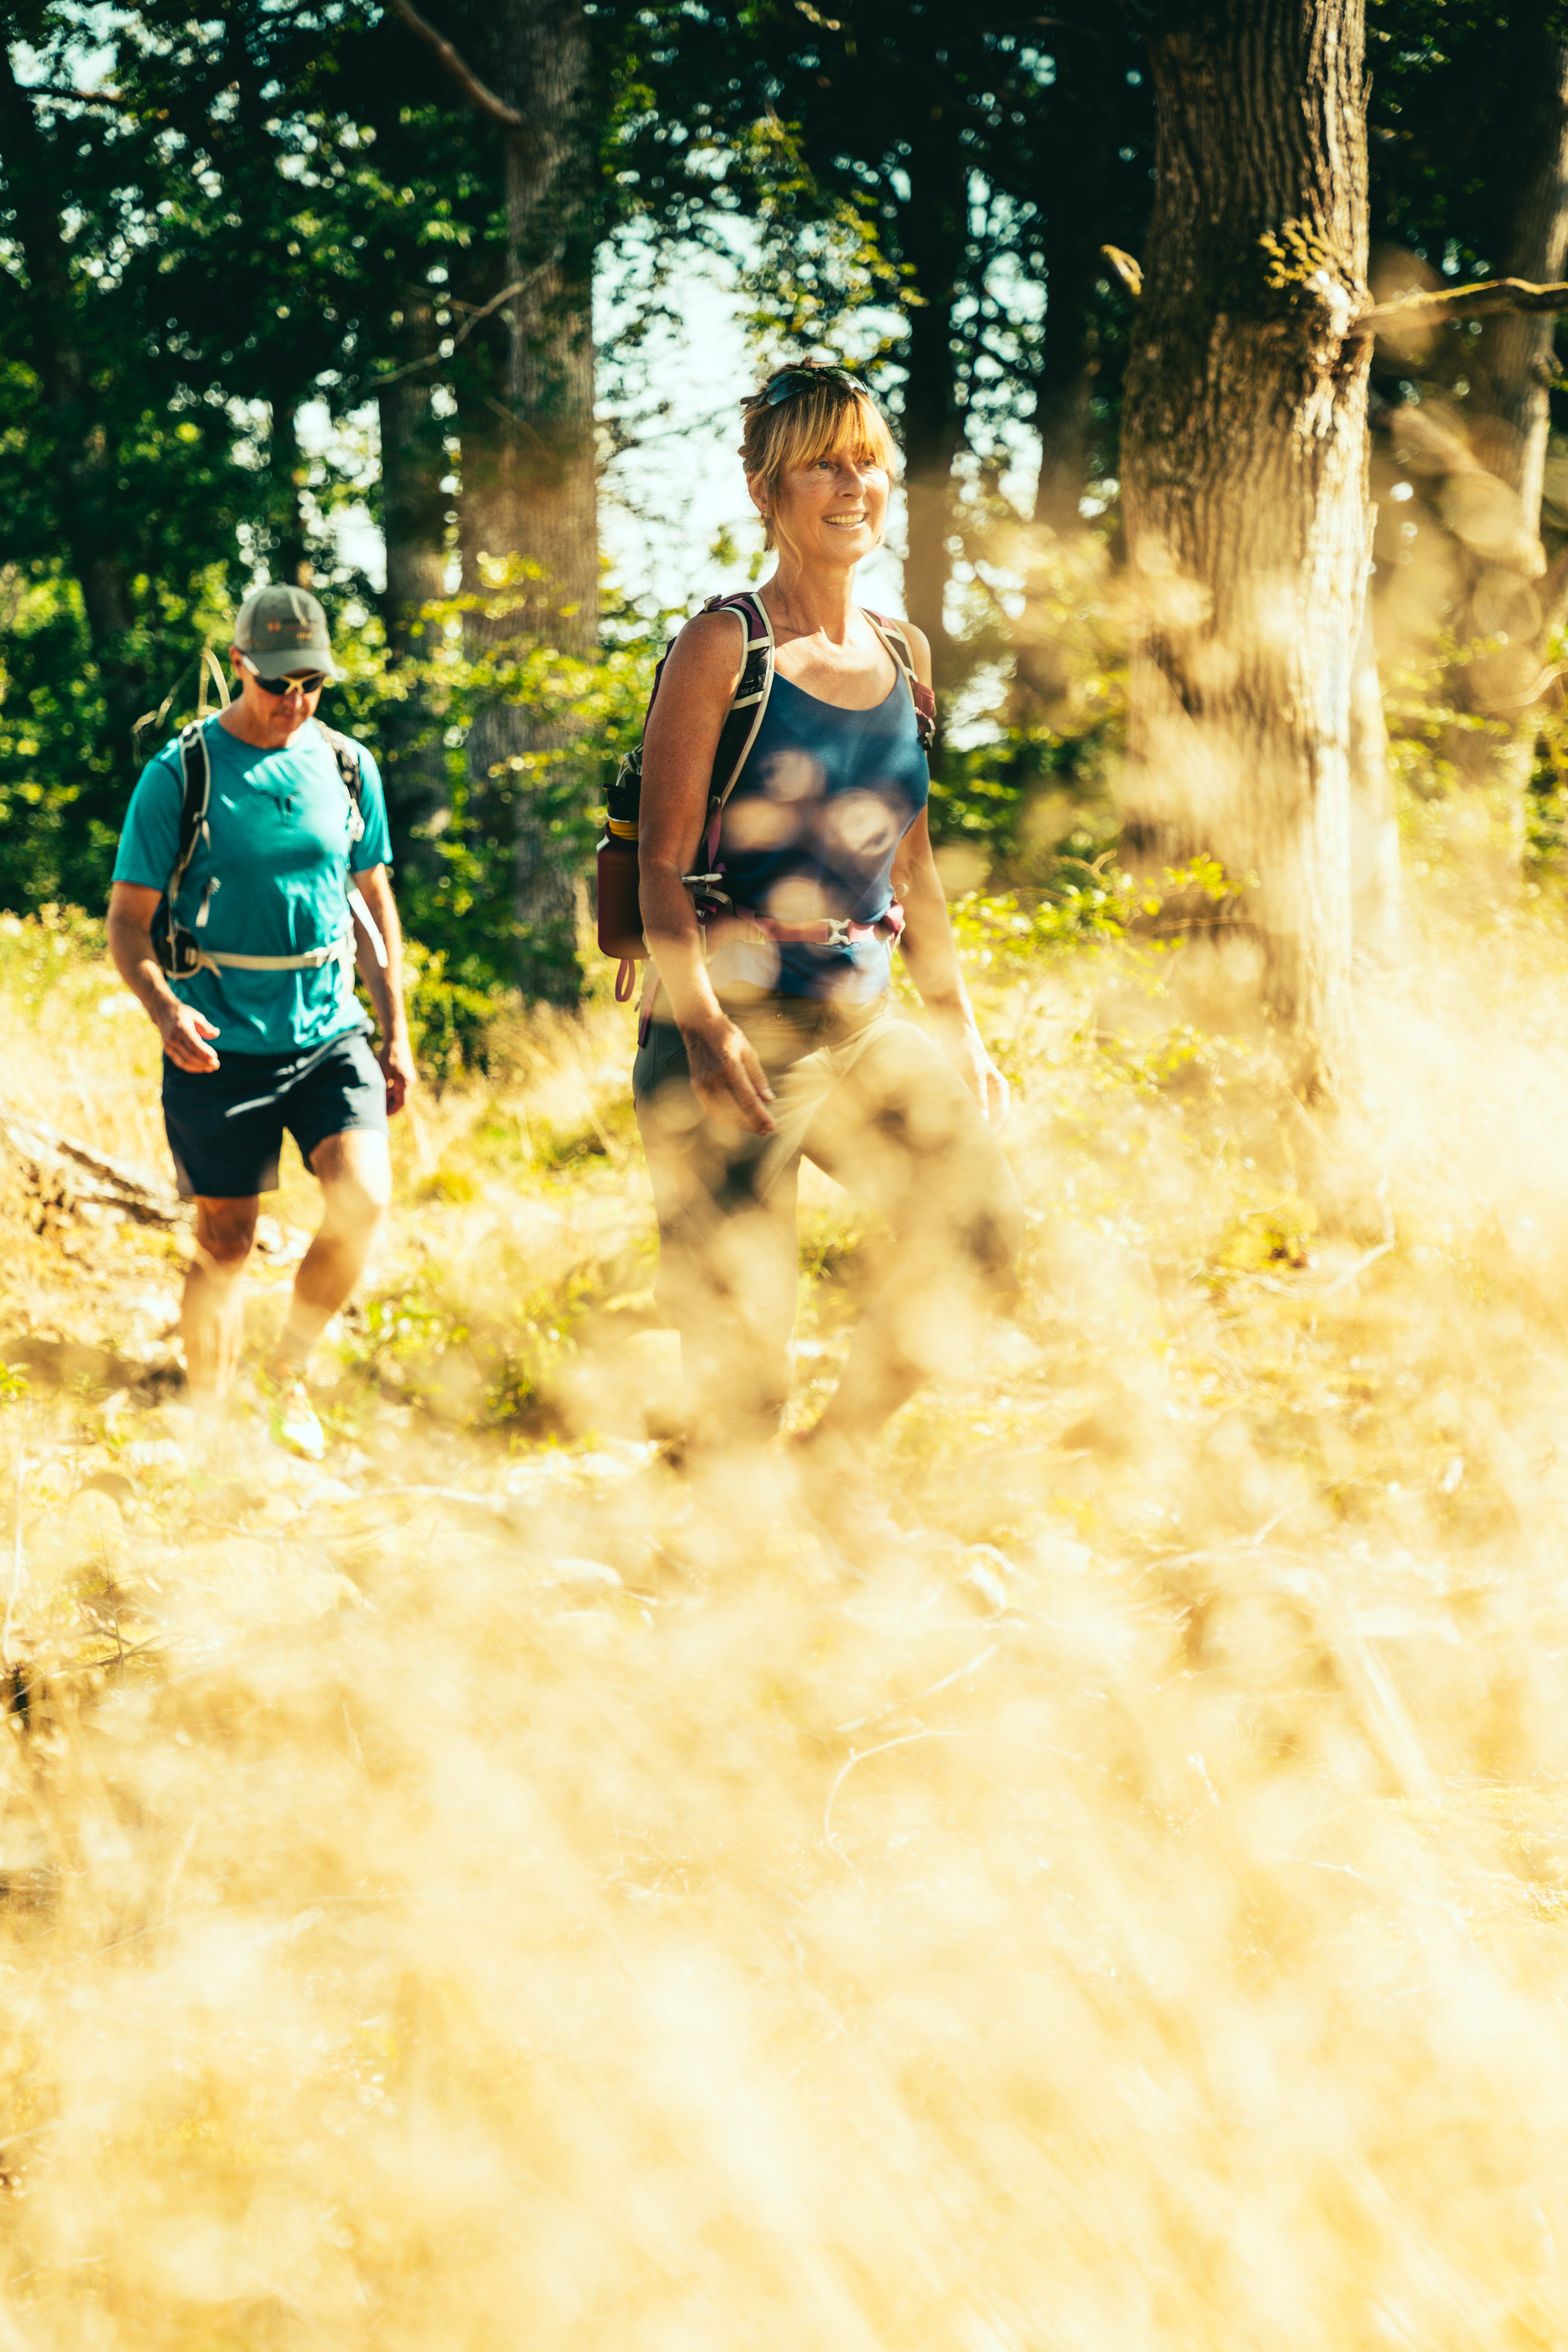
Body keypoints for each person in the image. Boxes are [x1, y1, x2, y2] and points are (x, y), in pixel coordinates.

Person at [633, 362, 1023, 1530]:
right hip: (729, 1026)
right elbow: (659, 863)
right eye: (823, 462)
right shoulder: (723, 646)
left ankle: (833, 1461)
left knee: (983, 1237)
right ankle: (720, 1559)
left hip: (862, 1023)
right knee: (744, 1349)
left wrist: (960, 1030)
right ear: (767, 487)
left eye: (869, 462)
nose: (853, 485)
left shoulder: (905, 655)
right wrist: (700, 1027)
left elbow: (911, 860)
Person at [107, 584, 415, 1459]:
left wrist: (397, 1032)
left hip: (329, 1032)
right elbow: (126, 923)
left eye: (312, 682)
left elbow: (373, 907)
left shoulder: (351, 766)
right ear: (240, 665)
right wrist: (164, 1009)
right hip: (217, 1046)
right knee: (226, 1242)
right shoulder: (183, 773)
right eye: (278, 682)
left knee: (363, 1201)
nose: (295, 701)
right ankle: (208, 1427)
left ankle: (288, 1377)